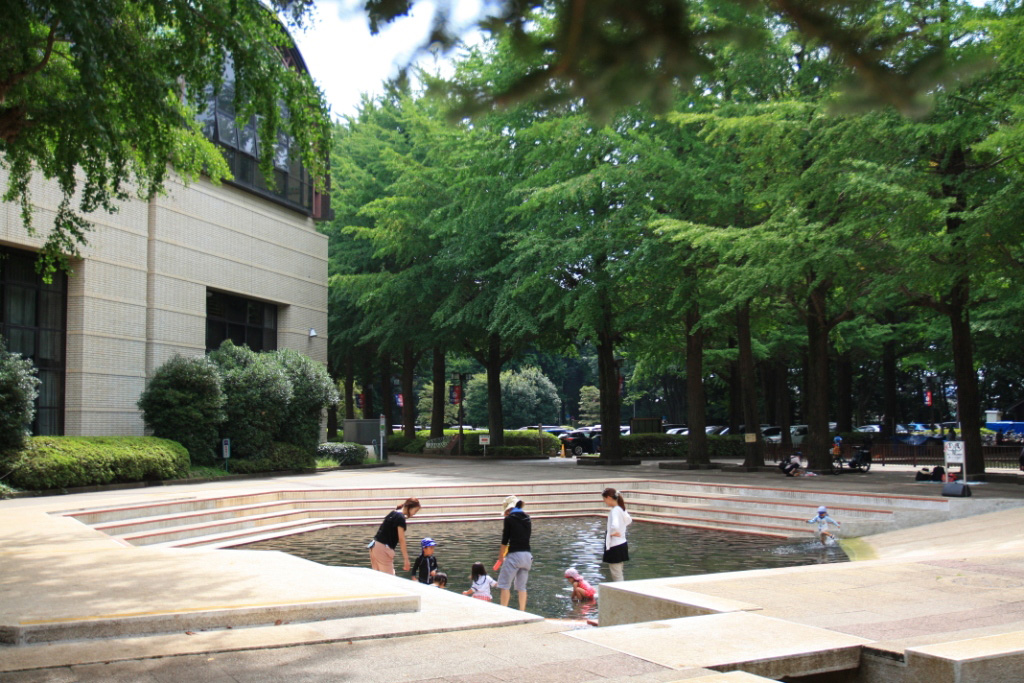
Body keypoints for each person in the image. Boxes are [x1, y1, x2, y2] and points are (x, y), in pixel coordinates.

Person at [496, 494, 532, 610]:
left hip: (514, 556)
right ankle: (522, 611)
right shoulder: (528, 518)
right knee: (522, 587)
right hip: (527, 556)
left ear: (509, 509)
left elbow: (505, 540)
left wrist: (501, 556)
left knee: (504, 585)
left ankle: (503, 611)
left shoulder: (509, 519)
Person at [368, 497, 420, 575]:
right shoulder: (400, 518)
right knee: (389, 579)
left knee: (378, 578)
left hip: (374, 546)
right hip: (383, 549)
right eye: (415, 511)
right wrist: (406, 559)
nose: (414, 514)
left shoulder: (393, 513)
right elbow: (401, 539)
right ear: (409, 507)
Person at [602, 487, 632, 581]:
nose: (605, 502)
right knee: (619, 572)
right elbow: (629, 520)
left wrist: (613, 532)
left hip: (615, 545)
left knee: (616, 574)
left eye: (604, 499)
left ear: (609, 498)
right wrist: (621, 530)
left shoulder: (615, 510)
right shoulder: (621, 509)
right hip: (622, 543)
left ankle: (620, 592)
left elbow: (615, 524)